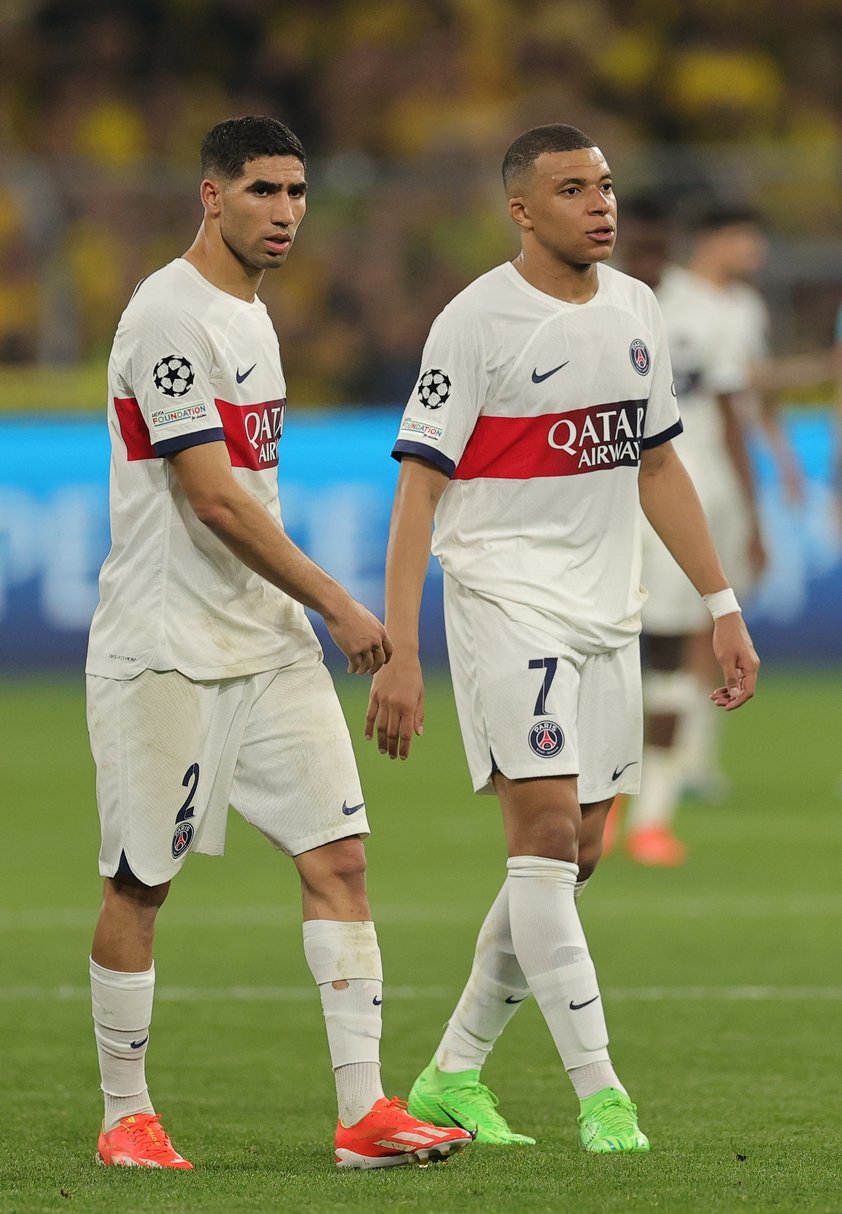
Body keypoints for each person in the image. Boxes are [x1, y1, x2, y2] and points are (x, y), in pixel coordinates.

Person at [84, 116, 471, 1172]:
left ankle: (364, 1112)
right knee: (140, 883)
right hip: (165, 646)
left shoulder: (251, 315)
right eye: (263, 191)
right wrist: (340, 605)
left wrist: (300, 617)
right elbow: (212, 498)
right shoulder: (169, 315)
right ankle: (126, 1113)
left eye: (297, 192)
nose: (286, 211)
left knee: (338, 857)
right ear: (211, 194)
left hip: (262, 645)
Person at [365, 124, 759, 1152]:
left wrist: (719, 603)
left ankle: (452, 1069)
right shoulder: (474, 321)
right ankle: (602, 1093)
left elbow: (657, 465)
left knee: (579, 851)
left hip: (605, 608)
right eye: (572, 188)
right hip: (505, 599)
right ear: (521, 210)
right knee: (540, 834)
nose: (600, 204)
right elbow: (418, 489)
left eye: (607, 186)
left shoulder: (635, 310)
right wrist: (400, 650)